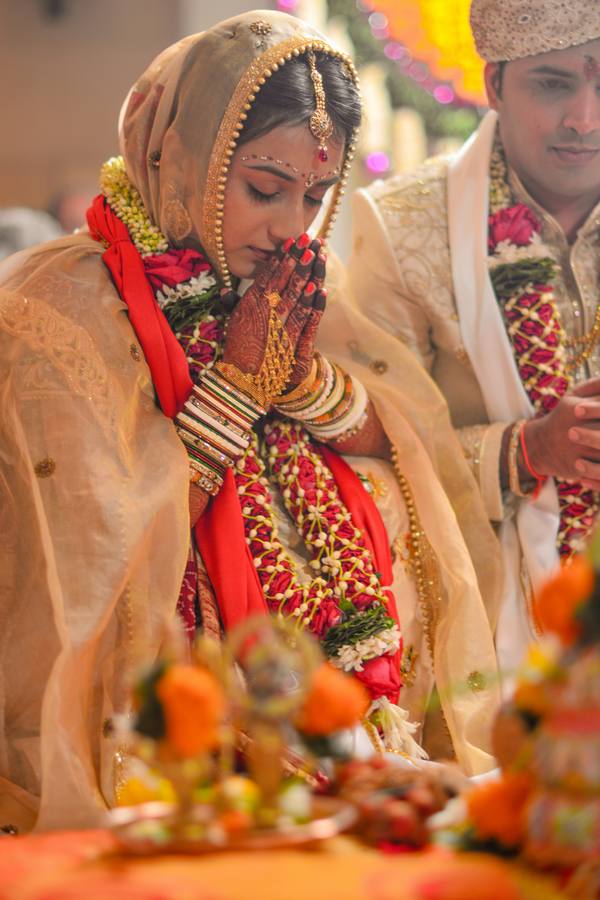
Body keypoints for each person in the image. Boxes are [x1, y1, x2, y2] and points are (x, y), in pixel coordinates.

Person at [0, 11, 501, 833]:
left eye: (314, 196)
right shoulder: (58, 310)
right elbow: (103, 567)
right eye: (265, 189)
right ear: (180, 156)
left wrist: (297, 381)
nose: (289, 227)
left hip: (337, 726)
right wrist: (235, 388)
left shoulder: (289, 288)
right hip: (153, 749)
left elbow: (407, 440)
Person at [347, 0, 600, 676]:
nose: (585, 119)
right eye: (553, 83)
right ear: (494, 83)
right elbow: (364, 461)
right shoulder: (402, 229)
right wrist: (528, 450)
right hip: (480, 636)